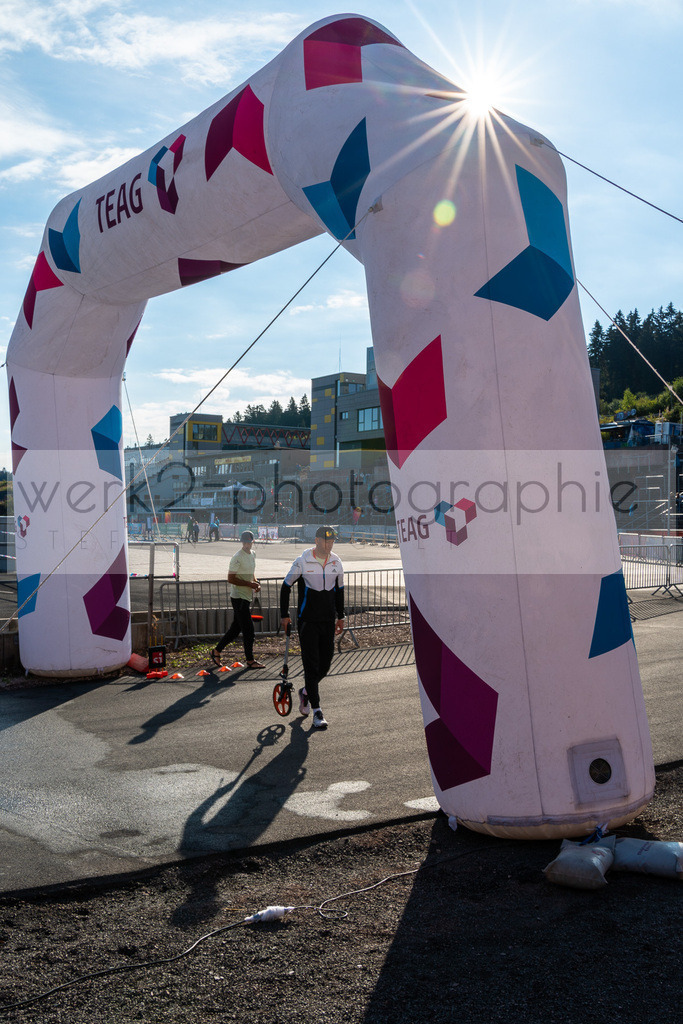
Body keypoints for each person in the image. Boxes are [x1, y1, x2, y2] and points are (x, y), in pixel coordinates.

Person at [280, 526, 344, 730]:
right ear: (317, 541)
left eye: (332, 541)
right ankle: (317, 711)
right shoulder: (303, 561)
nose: (330, 544)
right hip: (307, 621)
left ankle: (306, 692)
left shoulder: (336, 561)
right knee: (311, 664)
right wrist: (284, 615)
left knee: (325, 665)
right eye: (327, 541)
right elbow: (286, 586)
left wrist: (340, 617)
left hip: (327, 620)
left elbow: (340, 591)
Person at [211, 530, 264, 669]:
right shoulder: (237, 557)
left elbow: (251, 572)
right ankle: (250, 660)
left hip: (246, 596)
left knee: (235, 629)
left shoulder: (253, 554)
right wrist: (249, 584)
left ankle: (216, 651)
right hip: (238, 597)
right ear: (242, 541)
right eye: (245, 542)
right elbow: (231, 579)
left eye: (249, 542)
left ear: (253, 541)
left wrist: (256, 583)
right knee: (249, 631)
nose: (247, 544)